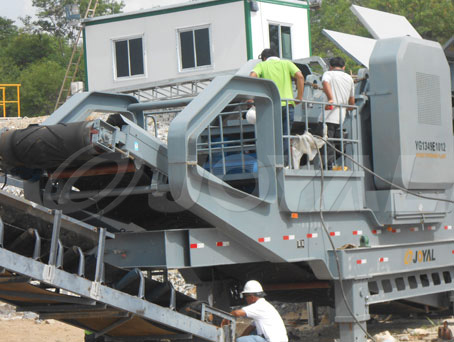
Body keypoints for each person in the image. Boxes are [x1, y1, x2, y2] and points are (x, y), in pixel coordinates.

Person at [250, 48, 304, 164]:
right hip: (288, 104)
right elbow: (300, 76)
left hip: (270, 106)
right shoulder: (287, 63)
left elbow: (252, 75)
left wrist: (252, 96)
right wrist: (299, 97)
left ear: (264, 58)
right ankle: (284, 164)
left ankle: (271, 162)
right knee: (285, 135)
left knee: (270, 134)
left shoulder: (263, 65)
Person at [318, 56, 355, 169]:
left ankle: (327, 166)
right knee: (336, 140)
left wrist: (330, 99)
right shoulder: (349, 78)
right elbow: (352, 101)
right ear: (343, 67)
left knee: (323, 140)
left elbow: (325, 82)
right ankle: (332, 163)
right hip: (341, 116)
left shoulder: (328, 74)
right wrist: (347, 108)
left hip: (328, 115)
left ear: (330, 66)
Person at [224, 280, 288, 342]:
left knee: (240, 341)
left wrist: (225, 319)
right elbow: (251, 327)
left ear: (251, 297)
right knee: (252, 333)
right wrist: (241, 337)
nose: (246, 299)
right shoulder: (265, 306)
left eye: (245, 296)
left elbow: (236, 313)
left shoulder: (258, 306)